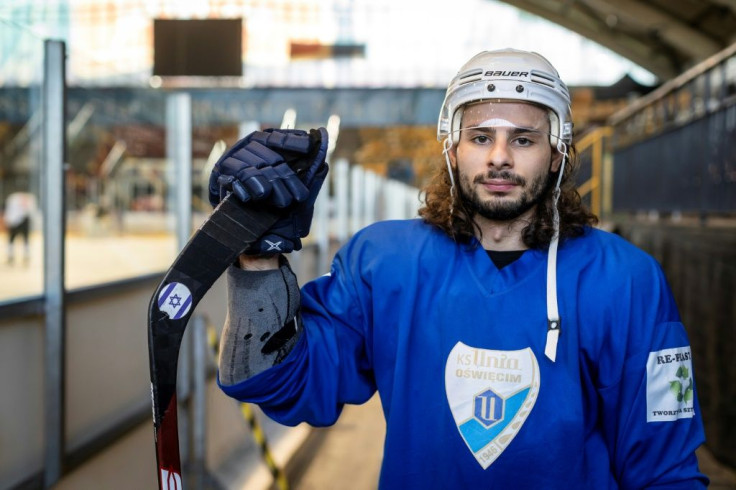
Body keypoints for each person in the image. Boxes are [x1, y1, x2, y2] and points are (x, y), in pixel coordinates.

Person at [208, 49, 708, 488]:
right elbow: (280, 385)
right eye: (480, 137)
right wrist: (258, 258)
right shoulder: (384, 262)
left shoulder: (627, 280)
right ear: (451, 148)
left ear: (558, 154)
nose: (499, 158)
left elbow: (665, 468)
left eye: (524, 140)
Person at [4, 190, 36, 265]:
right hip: (17, 221)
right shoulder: (28, 198)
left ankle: (22, 255)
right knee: (17, 239)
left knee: (19, 239)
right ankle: (13, 255)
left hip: (19, 221)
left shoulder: (13, 198)